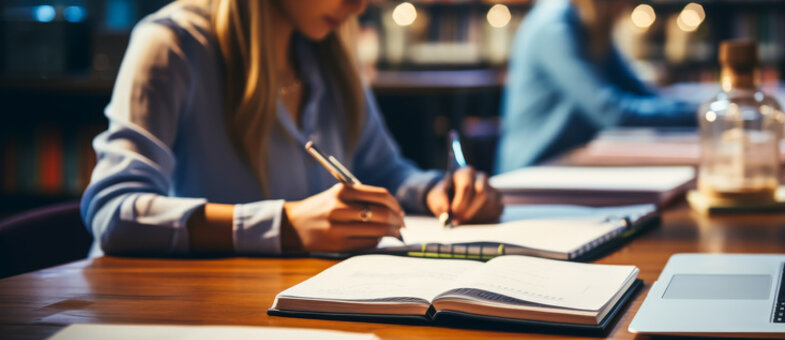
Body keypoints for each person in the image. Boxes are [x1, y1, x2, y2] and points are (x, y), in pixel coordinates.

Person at [81, 0, 503, 256]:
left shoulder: (329, 55)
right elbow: (114, 211)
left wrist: (436, 191)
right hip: (177, 316)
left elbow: (383, 171)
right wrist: (286, 225)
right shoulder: (173, 44)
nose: (359, 6)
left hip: (297, 307)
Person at [495, 0, 699, 174]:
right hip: (531, 170)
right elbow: (612, 112)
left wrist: (699, 108)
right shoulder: (554, 26)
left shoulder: (587, 25)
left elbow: (639, 91)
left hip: (569, 162)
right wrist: (700, 114)